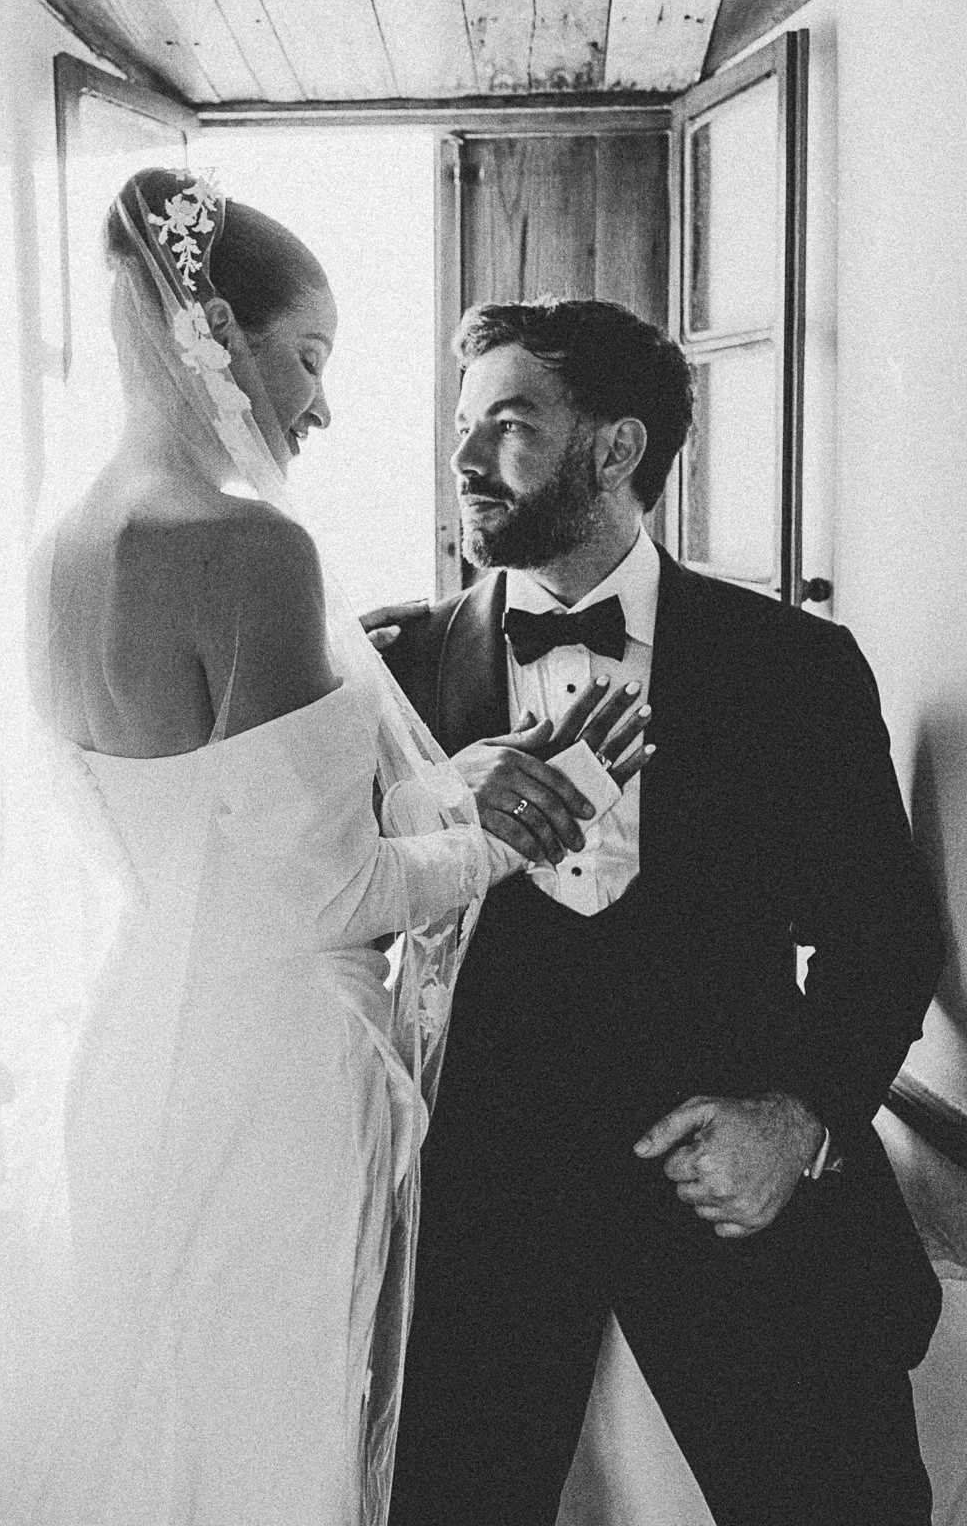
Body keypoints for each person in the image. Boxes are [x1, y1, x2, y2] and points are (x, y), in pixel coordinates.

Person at [0, 170, 566, 1526]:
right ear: (215, 333)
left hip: (141, 1052)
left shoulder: (65, 547)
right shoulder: (252, 550)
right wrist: (505, 841)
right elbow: (327, 893)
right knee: (265, 1451)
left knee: (154, 1440)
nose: (323, 401)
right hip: (271, 1075)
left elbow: (219, 826)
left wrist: (447, 781)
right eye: (310, 357)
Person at [383, 297, 944, 1526]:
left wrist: (795, 1118)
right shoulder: (396, 673)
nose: (467, 460)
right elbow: (331, 916)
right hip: (483, 1213)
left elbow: (885, 936)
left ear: (617, 447)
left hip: (728, 1186)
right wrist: (439, 808)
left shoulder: (795, 666)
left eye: (511, 426)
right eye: (462, 427)